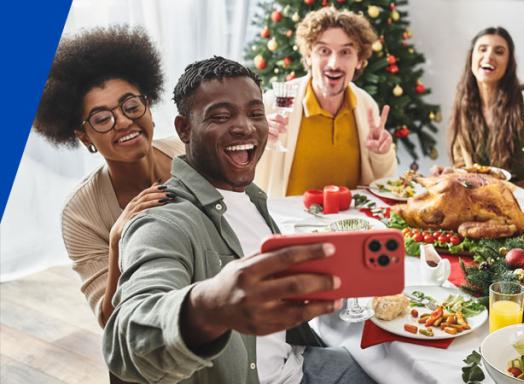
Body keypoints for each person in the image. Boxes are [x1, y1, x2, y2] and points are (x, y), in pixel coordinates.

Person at [103, 56, 374, 384]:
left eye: (255, 113)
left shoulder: (253, 199)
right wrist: (210, 307)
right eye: (220, 116)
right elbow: (125, 340)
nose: (245, 126)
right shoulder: (164, 220)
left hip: (297, 364)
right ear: (184, 129)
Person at [32, 26, 183, 327]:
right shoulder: (80, 214)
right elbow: (109, 321)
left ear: (148, 105)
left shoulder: (191, 153)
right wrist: (117, 242)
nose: (124, 121)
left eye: (131, 105)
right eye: (102, 119)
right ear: (83, 136)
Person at [255, 7, 397, 197]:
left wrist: (382, 153)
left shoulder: (365, 104)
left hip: (352, 222)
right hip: (290, 222)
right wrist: (259, 138)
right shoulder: (278, 101)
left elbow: (384, 184)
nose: (333, 64)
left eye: (345, 52)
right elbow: (247, 177)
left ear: (360, 60)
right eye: (324, 50)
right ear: (308, 56)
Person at [445, 26, 524, 200]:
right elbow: (461, 162)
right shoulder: (464, 102)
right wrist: (450, 173)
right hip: (485, 197)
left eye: (499, 51)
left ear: (509, 62)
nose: (489, 56)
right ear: (471, 57)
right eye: (482, 49)